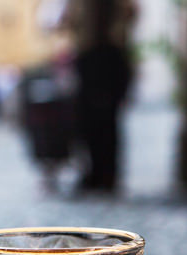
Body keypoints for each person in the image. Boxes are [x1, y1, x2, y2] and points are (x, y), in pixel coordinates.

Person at [63, 0, 136, 193]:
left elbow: (131, 14)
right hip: (91, 56)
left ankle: (106, 174)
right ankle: (96, 172)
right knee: (89, 120)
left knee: (106, 120)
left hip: (109, 56)